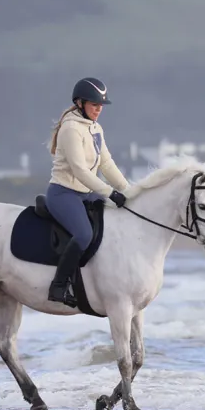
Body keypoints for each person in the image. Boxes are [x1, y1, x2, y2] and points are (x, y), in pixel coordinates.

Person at [45, 77, 133, 306]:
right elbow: (80, 171)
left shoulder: (95, 128)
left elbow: (107, 163)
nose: (99, 109)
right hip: (64, 193)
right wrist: (109, 192)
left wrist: (128, 191)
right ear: (80, 103)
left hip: (86, 193)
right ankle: (59, 285)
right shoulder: (71, 129)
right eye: (95, 105)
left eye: (101, 105)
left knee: (115, 222)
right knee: (84, 234)